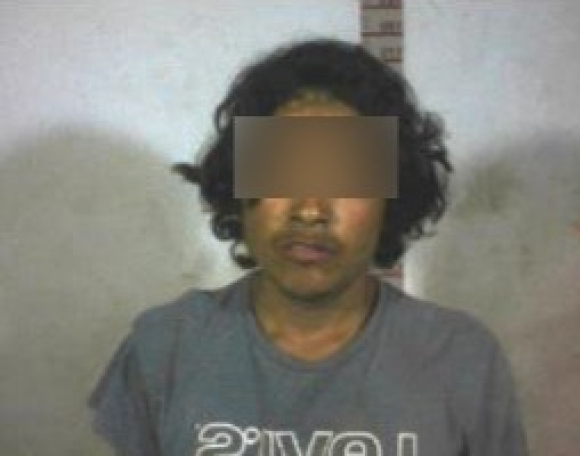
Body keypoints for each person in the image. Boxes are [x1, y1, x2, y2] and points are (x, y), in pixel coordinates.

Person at [88, 38, 528, 456]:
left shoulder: (462, 358)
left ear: (390, 200)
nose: (311, 210)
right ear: (240, 185)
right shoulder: (165, 345)